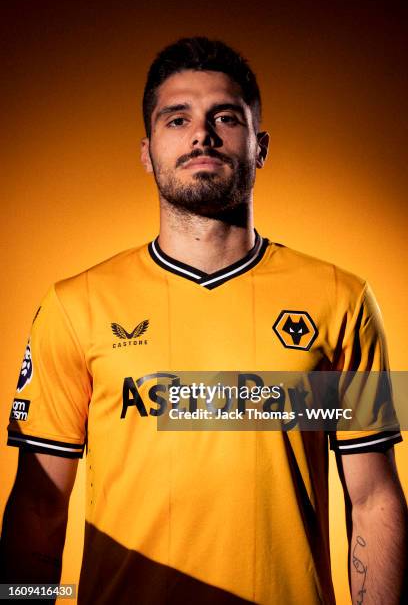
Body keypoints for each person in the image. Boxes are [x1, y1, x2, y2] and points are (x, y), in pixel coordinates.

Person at [1, 37, 407, 605]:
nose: (202, 135)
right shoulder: (76, 305)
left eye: (224, 117)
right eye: (177, 119)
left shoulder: (341, 299)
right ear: (148, 151)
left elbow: (373, 500)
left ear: (259, 146)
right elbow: (39, 506)